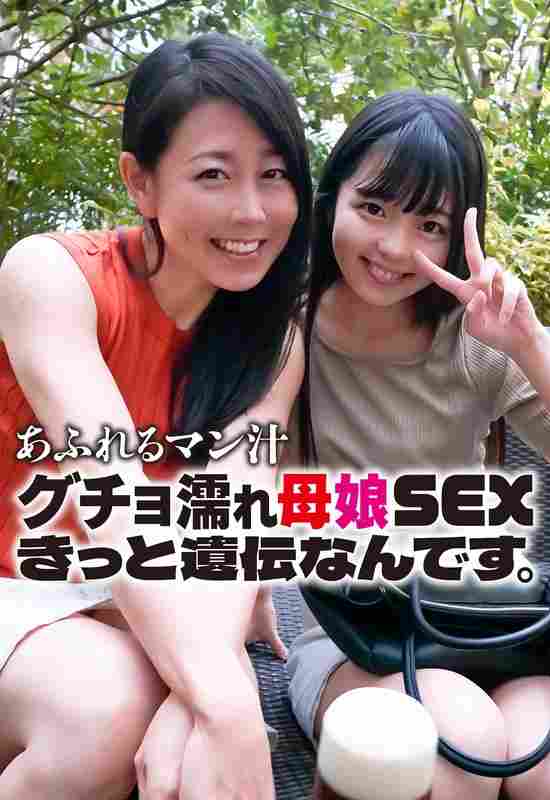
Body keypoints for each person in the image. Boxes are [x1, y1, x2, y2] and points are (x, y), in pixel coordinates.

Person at [0, 32, 312, 799]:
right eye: (214, 174)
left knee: (187, 725)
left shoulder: (273, 341)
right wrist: (225, 701)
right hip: (17, 580)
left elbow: (233, 522)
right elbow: (111, 500)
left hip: (121, 598)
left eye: (275, 175)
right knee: (109, 713)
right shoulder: (52, 278)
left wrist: (202, 690)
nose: (252, 210)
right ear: (140, 183)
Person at [286, 89, 550, 800]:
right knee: (451, 740)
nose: (395, 248)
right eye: (374, 207)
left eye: (428, 224)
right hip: (355, 635)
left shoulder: (477, 338)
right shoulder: (285, 335)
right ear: (332, 199)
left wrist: (528, 344)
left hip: (492, 622)